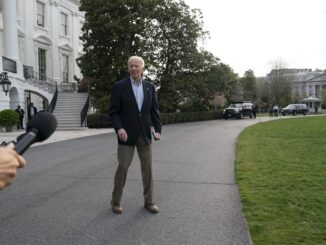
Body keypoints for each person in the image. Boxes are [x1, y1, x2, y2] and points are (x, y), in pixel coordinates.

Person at [109, 56, 162, 214]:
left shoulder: (150, 87)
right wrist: (119, 129)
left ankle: (149, 202)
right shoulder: (119, 87)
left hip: (144, 134)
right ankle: (116, 201)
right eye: (131, 66)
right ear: (128, 68)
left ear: (142, 68)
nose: (133, 68)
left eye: (136, 66)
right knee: (123, 167)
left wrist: (157, 129)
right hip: (126, 135)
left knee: (148, 169)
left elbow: (154, 110)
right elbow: (113, 112)